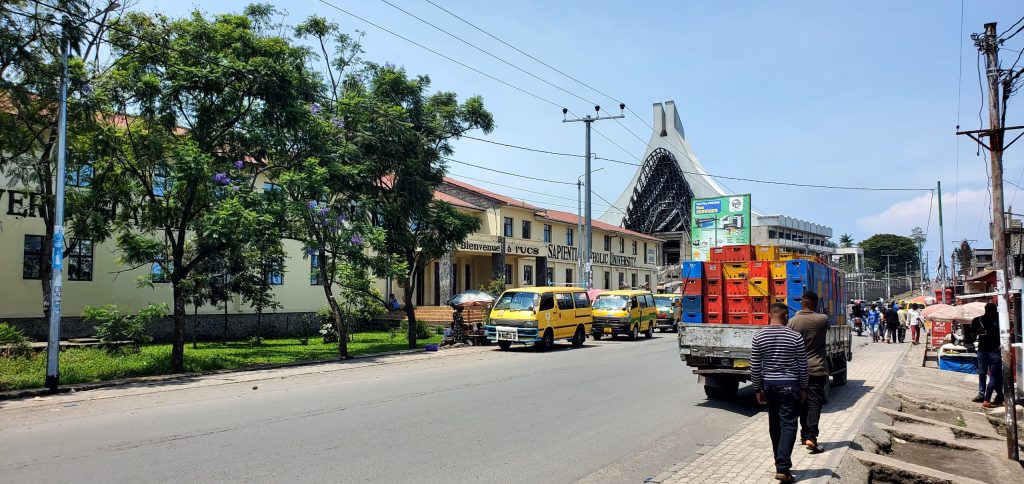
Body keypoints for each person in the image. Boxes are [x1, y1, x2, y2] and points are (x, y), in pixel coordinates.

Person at [751, 303, 809, 483]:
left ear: (770, 315)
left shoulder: (759, 336)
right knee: (789, 425)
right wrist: (804, 388)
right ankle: (783, 467)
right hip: (790, 386)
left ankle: (779, 463)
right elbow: (803, 365)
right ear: (785, 317)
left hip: (769, 386)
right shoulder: (795, 337)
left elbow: (755, 366)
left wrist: (757, 388)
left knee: (775, 426)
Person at [789, 291, 830, 454]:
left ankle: (804, 434)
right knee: (814, 403)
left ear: (802, 303)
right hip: (816, 369)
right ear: (816, 303)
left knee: (802, 403)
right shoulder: (822, 319)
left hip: (798, 370)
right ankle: (811, 437)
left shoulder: (793, 321)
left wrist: (799, 314)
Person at [968, 303, 1004, 407]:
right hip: (985, 351)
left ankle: (997, 395)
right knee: (986, 374)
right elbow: (971, 338)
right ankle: (983, 394)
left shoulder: (999, 320)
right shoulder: (977, 320)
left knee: (992, 375)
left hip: (991, 351)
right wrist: (976, 332)